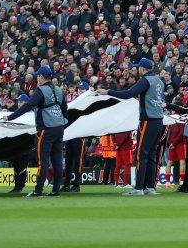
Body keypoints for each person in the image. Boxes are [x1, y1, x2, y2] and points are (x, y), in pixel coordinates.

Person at [105, 57, 167, 196]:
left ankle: (138, 188)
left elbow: (128, 94)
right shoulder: (159, 81)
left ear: (142, 69)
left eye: (138, 67)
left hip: (147, 121)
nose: (137, 69)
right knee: (151, 155)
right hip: (158, 120)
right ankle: (149, 187)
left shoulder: (145, 80)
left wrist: (108, 92)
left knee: (141, 154)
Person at [4, 66, 67, 197]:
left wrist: (10, 117)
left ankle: (38, 190)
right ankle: (56, 190)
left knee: (43, 160)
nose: (37, 78)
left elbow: (28, 106)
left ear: (41, 77)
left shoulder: (40, 90)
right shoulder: (58, 90)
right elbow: (64, 108)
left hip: (46, 128)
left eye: (37, 76)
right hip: (59, 127)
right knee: (57, 160)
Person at [61, 81, 91, 193]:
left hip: (80, 135)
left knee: (78, 160)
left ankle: (76, 184)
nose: (80, 91)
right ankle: (66, 184)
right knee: (68, 160)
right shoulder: (75, 101)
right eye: (79, 89)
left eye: (82, 89)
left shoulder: (88, 102)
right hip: (70, 134)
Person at [7, 93, 36, 194]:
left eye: (21, 101)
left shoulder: (31, 114)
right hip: (16, 144)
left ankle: (20, 186)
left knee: (22, 165)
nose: (19, 103)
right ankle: (17, 186)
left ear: (26, 102)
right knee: (16, 165)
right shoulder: (17, 113)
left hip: (26, 145)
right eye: (18, 101)